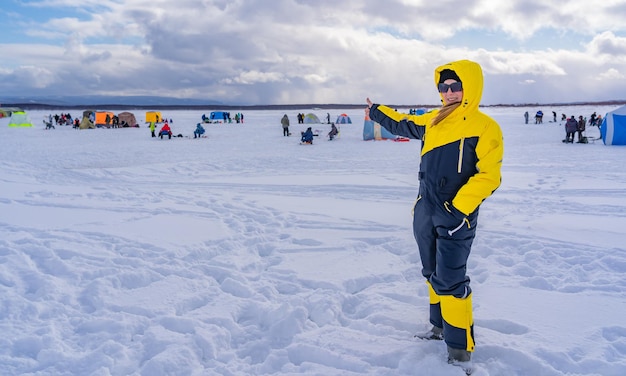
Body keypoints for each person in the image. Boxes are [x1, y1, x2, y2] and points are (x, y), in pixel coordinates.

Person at [366, 59, 503, 367]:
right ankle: (438, 328)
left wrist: (459, 207)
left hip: (456, 216)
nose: (449, 92)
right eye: (444, 87)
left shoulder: (484, 126)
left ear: (469, 87)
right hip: (425, 210)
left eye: (455, 86)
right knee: (432, 273)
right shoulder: (434, 120)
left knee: (451, 281)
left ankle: (459, 350)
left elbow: (489, 175)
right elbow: (401, 122)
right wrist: (376, 111)